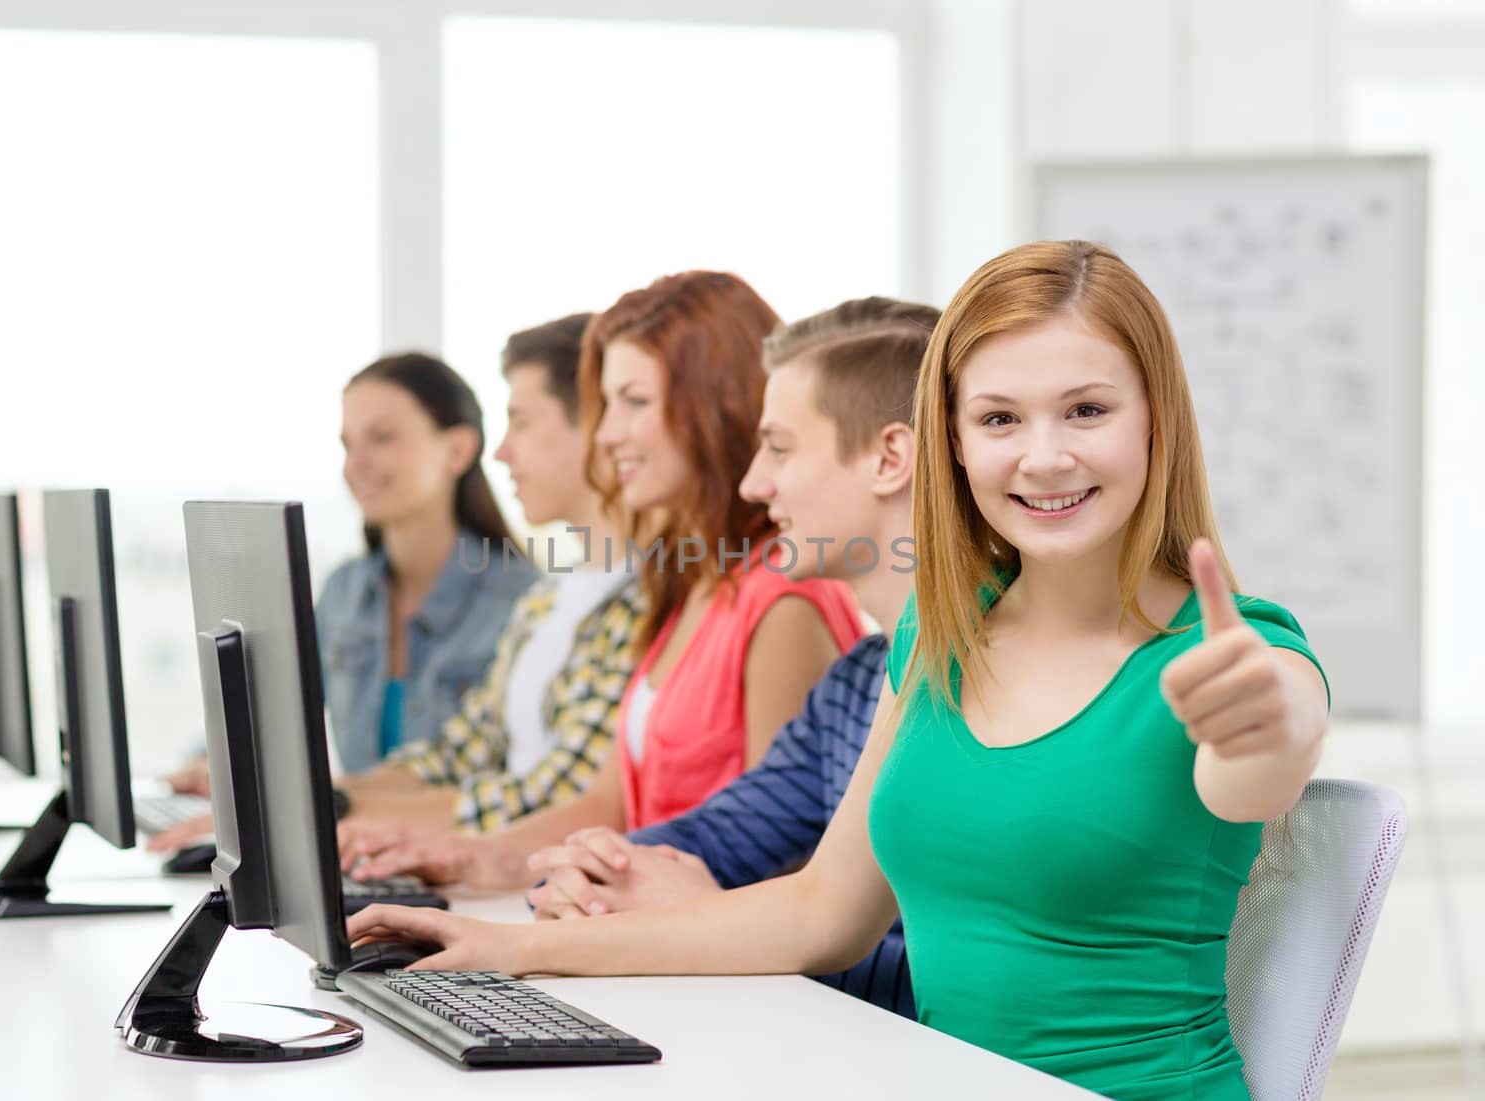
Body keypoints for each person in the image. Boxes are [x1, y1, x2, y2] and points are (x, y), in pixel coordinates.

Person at [346, 242, 1332, 1101]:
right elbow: (821, 915)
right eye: (997, 420)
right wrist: (512, 952)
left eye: (1085, 410)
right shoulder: (936, 641)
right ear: (950, 442)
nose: (1042, 458)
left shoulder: (1234, 657)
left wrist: (1259, 726)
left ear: (1155, 420)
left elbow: (1260, 757)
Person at [338, 271, 864, 888]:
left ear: (713, 402)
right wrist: (467, 857)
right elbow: (607, 806)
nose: (607, 433)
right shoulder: (687, 588)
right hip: (649, 948)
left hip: (712, 970)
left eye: (633, 402)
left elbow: (781, 862)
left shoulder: (782, 601)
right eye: (607, 404)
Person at [523, 297, 935, 1022]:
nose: (755, 483)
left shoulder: (986, 685)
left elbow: (966, 980)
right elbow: (718, 834)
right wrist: (588, 875)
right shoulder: (857, 683)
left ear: (890, 458)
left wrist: (715, 916)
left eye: (779, 448)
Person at [152, 352, 539, 831]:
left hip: (469, 864)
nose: (355, 465)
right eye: (347, 444)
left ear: (458, 450)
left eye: (381, 438)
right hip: (362, 851)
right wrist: (207, 766)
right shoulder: (345, 593)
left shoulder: (524, 601)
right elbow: (268, 711)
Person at [328, 313, 646, 832]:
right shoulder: (546, 600)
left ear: (593, 425)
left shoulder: (644, 601)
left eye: (520, 421)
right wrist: (319, 804)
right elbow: (457, 754)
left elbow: (557, 795)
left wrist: (342, 817)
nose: (500, 451)